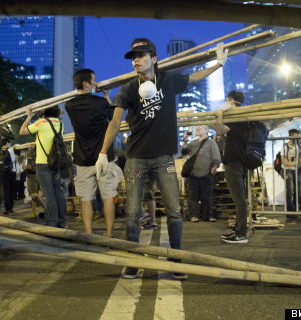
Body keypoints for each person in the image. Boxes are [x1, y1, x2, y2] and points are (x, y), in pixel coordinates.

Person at [96, 38, 228, 280]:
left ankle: (176, 259)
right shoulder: (127, 89)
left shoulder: (167, 80)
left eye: (141, 55)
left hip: (164, 158)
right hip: (136, 159)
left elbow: (196, 77)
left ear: (154, 59)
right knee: (134, 212)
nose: (136, 60)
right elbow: (115, 122)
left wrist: (218, 64)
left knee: (175, 211)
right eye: (133, 57)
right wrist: (103, 152)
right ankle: (134, 259)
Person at [65, 68, 117, 237]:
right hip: (104, 155)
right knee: (108, 195)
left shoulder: (69, 105)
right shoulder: (99, 103)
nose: (95, 82)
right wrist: (107, 96)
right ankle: (108, 235)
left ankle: (88, 233)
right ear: (86, 83)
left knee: (86, 198)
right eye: (93, 79)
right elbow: (113, 117)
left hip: (82, 157)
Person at [20, 105, 68, 228]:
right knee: (58, 192)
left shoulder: (41, 122)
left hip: (43, 163)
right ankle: (63, 221)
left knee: (49, 194)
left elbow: (22, 131)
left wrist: (29, 116)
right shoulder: (60, 124)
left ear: (44, 111)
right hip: (56, 163)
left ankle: (52, 221)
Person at [215, 91, 250, 244]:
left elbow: (219, 130)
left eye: (227, 100)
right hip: (237, 161)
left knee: (239, 199)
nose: (225, 102)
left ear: (231, 101)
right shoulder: (241, 117)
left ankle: (241, 233)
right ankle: (238, 229)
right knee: (239, 198)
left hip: (234, 162)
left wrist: (221, 113)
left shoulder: (237, 117)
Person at [182, 125, 221, 222]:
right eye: (198, 127)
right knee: (193, 195)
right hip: (193, 173)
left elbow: (216, 155)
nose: (199, 128)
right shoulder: (193, 143)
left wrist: (215, 166)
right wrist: (185, 139)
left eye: (202, 127)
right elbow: (184, 152)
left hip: (206, 172)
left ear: (207, 131)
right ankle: (194, 215)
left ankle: (207, 215)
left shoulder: (211, 142)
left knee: (206, 195)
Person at [281, 129, 301, 218]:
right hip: (287, 169)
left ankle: (296, 208)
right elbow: (283, 161)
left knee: (298, 189)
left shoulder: (299, 146)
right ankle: (289, 210)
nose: (297, 138)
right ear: (290, 137)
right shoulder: (285, 146)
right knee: (290, 189)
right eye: (295, 137)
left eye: (298, 136)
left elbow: (300, 158)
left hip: (296, 169)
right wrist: (293, 164)